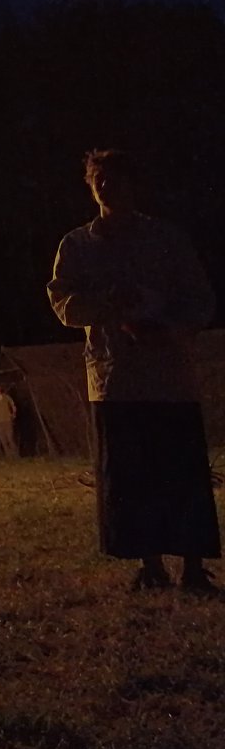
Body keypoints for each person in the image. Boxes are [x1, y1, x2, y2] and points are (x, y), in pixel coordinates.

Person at [47, 150, 218, 593]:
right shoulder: (77, 246)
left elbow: (199, 298)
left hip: (169, 378)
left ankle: (194, 568)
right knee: (131, 476)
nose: (108, 186)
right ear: (90, 185)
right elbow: (63, 302)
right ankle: (151, 565)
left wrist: (168, 328)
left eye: (117, 178)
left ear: (134, 185)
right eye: (99, 179)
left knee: (180, 472)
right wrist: (109, 306)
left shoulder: (166, 239)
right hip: (115, 379)